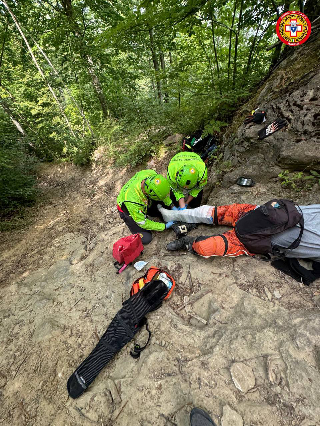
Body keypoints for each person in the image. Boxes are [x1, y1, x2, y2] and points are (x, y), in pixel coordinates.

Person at [158, 201, 320, 284]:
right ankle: (175, 215)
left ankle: (189, 243)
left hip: (255, 241)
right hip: (258, 214)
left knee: (205, 247)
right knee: (212, 212)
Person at [117, 170, 174, 245]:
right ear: (146, 193)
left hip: (143, 200)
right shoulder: (132, 200)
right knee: (146, 238)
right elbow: (142, 222)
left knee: (160, 211)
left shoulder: (151, 175)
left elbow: (162, 192)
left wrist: (170, 204)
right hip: (127, 209)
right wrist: (164, 226)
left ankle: (151, 211)